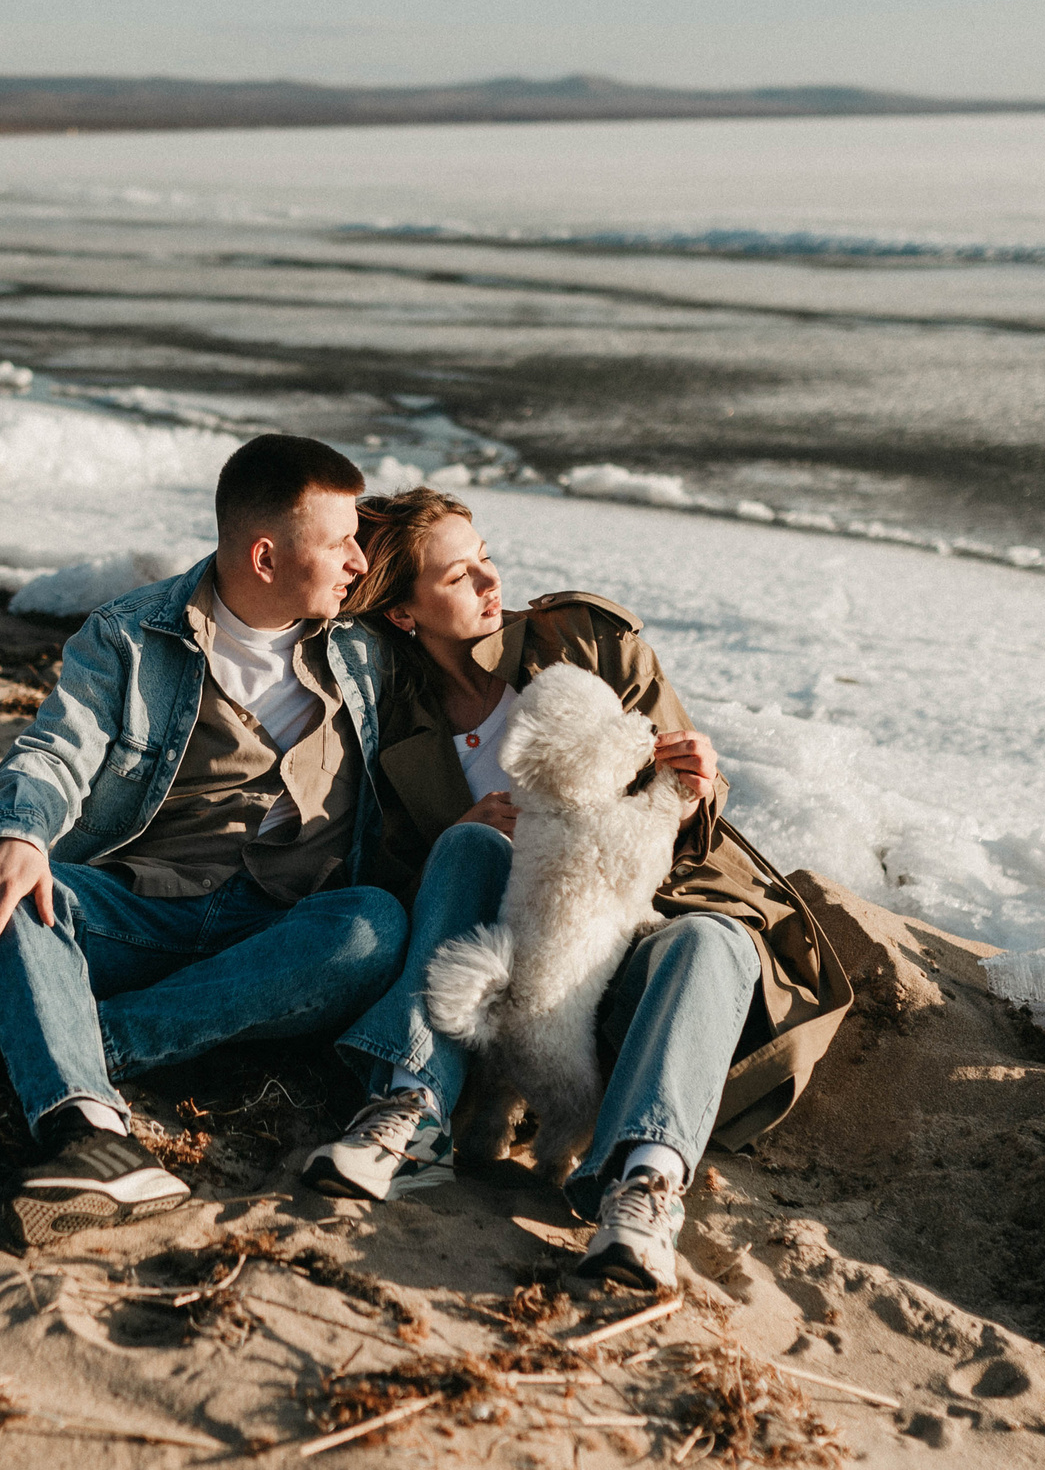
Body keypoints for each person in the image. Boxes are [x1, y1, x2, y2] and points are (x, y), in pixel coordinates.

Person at [302, 488, 851, 1290]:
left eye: (487, 558)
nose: (492, 584)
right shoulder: (389, 724)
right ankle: (411, 1110)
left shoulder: (585, 640)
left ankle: (641, 1185)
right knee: (467, 847)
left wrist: (700, 779)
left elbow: (696, 805)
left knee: (711, 939)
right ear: (403, 614)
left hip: (639, 946)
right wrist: (468, 822)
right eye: (460, 576)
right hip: (503, 985)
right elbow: (398, 885)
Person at [0, 435, 409, 1247]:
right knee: (15, 893)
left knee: (373, 925)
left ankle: (80, 1047)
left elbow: (480, 649)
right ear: (266, 556)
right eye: (340, 541)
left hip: (284, 933)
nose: (356, 560)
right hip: (145, 905)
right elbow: (57, 747)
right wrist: (20, 834)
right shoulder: (129, 636)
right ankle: (89, 1132)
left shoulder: (365, 648)